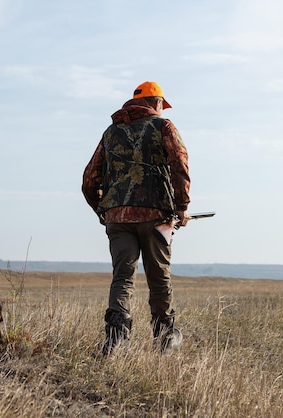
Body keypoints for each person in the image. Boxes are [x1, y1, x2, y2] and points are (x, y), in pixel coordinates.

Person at [82, 81, 191, 356]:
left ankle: (117, 339)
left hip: (118, 218)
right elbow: (179, 162)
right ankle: (165, 337)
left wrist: (104, 210)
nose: (161, 110)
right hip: (157, 217)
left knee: (122, 279)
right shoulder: (164, 127)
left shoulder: (110, 132)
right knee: (159, 279)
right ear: (156, 103)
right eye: (161, 105)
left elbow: (88, 180)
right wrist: (182, 206)